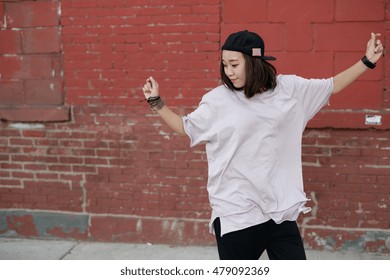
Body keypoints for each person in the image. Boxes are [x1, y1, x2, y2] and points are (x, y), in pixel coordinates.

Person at [141, 30, 384, 260]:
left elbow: (332, 84)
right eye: (225, 65)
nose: (229, 72)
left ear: (254, 61)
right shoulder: (218, 100)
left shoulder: (290, 90)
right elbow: (186, 127)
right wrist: (156, 102)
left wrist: (367, 61)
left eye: (234, 65)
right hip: (237, 214)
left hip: (280, 213)